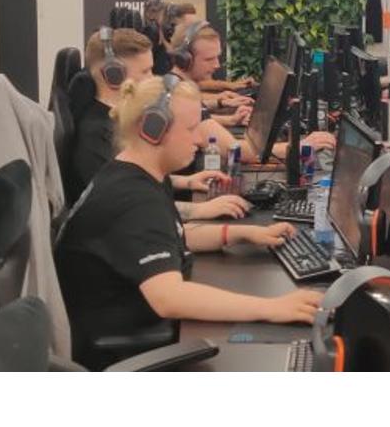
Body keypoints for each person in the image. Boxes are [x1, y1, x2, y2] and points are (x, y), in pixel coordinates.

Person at [55, 75, 321, 370]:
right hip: (127, 355)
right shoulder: (134, 201)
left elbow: (169, 235)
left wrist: (242, 233)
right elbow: (170, 298)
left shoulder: (135, 174)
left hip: (135, 329)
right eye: (191, 128)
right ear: (153, 130)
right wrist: (272, 307)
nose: (199, 139)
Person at [68, 27, 246, 220]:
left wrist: (186, 182)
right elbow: (127, 206)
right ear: (113, 75)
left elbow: (137, 177)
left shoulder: (118, 120)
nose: (154, 79)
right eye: (146, 71)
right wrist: (200, 210)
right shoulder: (96, 136)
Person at [168, 21, 255, 129]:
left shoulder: (176, 84)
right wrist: (231, 120)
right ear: (185, 59)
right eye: (209, 59)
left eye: (217, 57)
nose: (217, 65)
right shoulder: (172, 93)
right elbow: (192, 118)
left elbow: (196, 111)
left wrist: (220, 102)